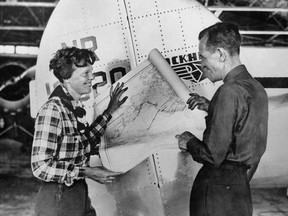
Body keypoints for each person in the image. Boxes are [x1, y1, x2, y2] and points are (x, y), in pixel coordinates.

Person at [175, 22, 268, 216]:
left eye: (202, 57)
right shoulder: (256, 88)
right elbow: (244, 125)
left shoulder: (227, 91)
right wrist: (212, 107)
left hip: (215, 192)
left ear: (220, 54)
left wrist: (188, 141)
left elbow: (212, 155)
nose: (201, 65)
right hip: (240, 191)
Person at [31, 47, 128, 216]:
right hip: (58, 198)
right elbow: (40, 166)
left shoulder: (71, 107)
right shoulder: (52, 110)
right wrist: (88, 172)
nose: (92, 78)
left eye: (91, 72)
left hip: (77, 193)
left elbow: (84, 141)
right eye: (85, 73)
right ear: (67, 78)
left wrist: (109, 111)